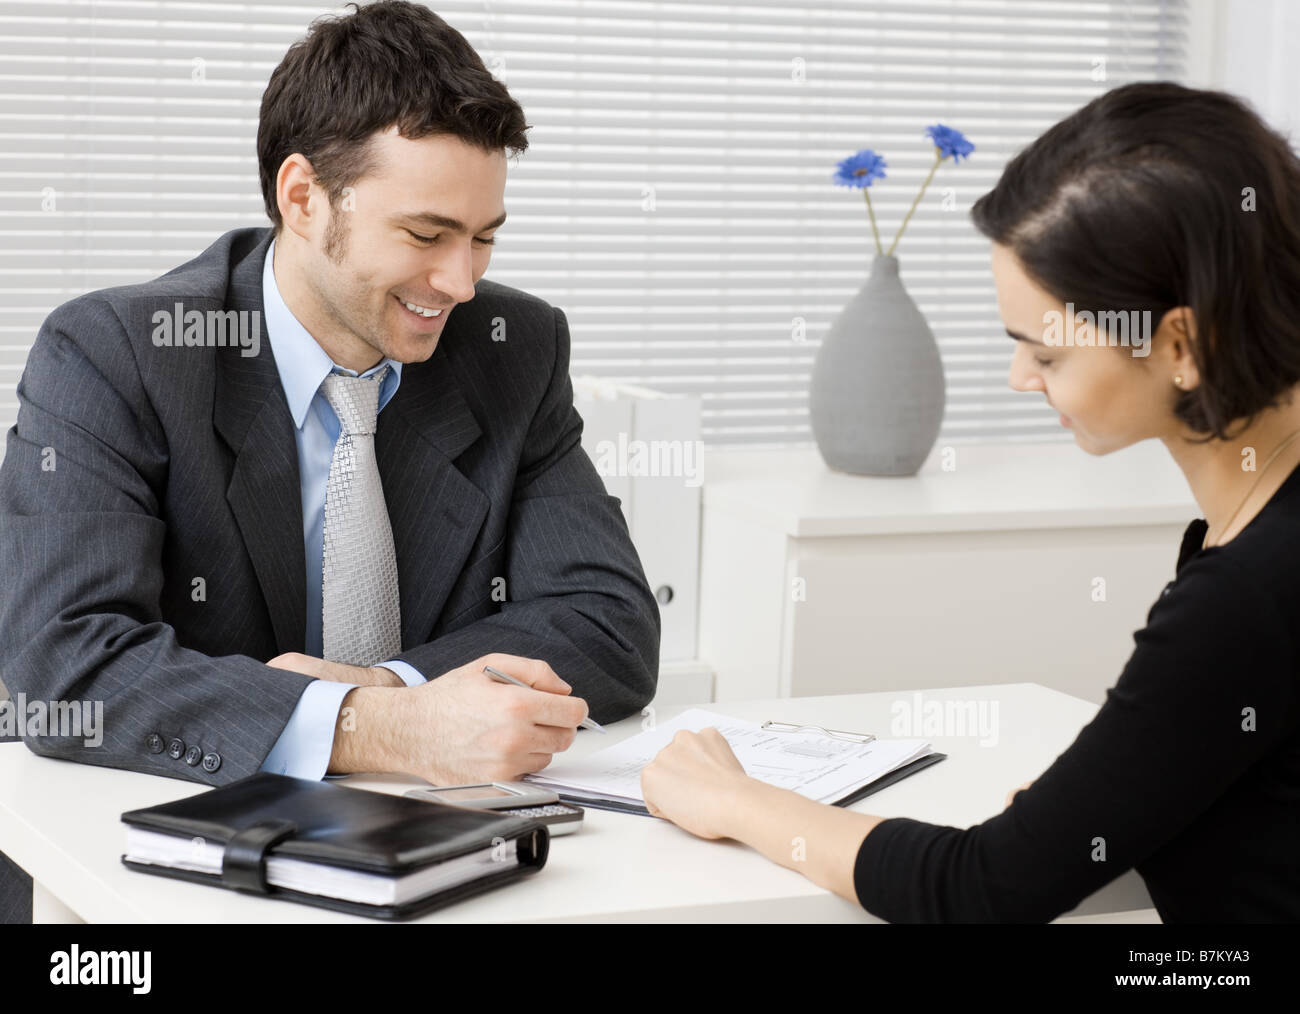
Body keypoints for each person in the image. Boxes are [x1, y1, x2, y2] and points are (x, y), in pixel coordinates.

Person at [0, 1, 661, 921]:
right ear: (303, 196)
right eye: (427, 236)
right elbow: (66, 663)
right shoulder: (116, 354)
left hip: (434, 861)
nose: (461, 283)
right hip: (156, 857)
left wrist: (394, 691)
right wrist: (378, 729)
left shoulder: (515, 349)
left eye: (485, 237)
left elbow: (610, 622)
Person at [641, 80, 1300, 923]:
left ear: (1178, 343)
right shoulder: (1253, 526)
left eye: (1048, 355)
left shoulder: (1249, 591)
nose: (1022, 378)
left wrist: (735, 801)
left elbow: (982, 890)